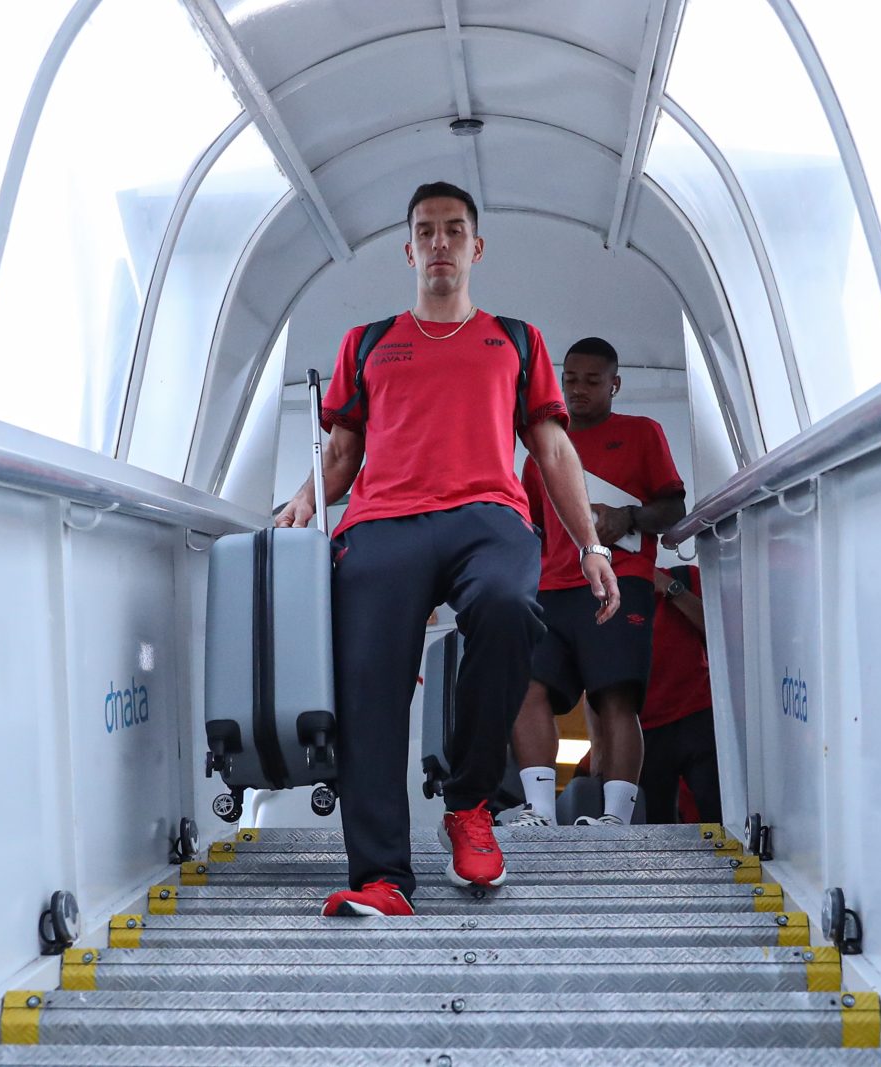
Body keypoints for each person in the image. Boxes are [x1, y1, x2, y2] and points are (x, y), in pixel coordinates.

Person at [277, 181, 618, 919]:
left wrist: (590, 543)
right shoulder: (368, 342)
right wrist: (305, 498)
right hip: (383, 520)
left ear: (476, 246)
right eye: (426, 231)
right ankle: (381, 876)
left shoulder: (516, 340)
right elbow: (342, 453)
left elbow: (553, 451)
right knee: (369, 686)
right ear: (409, 250)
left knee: (507, 607)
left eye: (454, 229)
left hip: (487, 515)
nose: (440, 242)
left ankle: (468, 803)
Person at [511, 338, 686, 828]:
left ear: (615, 384)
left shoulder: (641, 432)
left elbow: (674, 508)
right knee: (528, 688)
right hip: (550, 588)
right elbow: (530, 526)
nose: (578, 390)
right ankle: (539, 811)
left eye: (592, 381)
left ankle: (615, 818)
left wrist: (629, 515)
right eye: (570, 379)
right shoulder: (540, 450)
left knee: (615, 696)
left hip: (621, 581)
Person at [639, 563, 720, 826]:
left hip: (698, 715)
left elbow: (720, 634)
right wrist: (599, 740)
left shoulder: (685, 577)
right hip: (642, 730)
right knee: (655, 827)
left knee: (720, 815)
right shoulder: (601, 591)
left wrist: (670, 588)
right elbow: (595, 672)